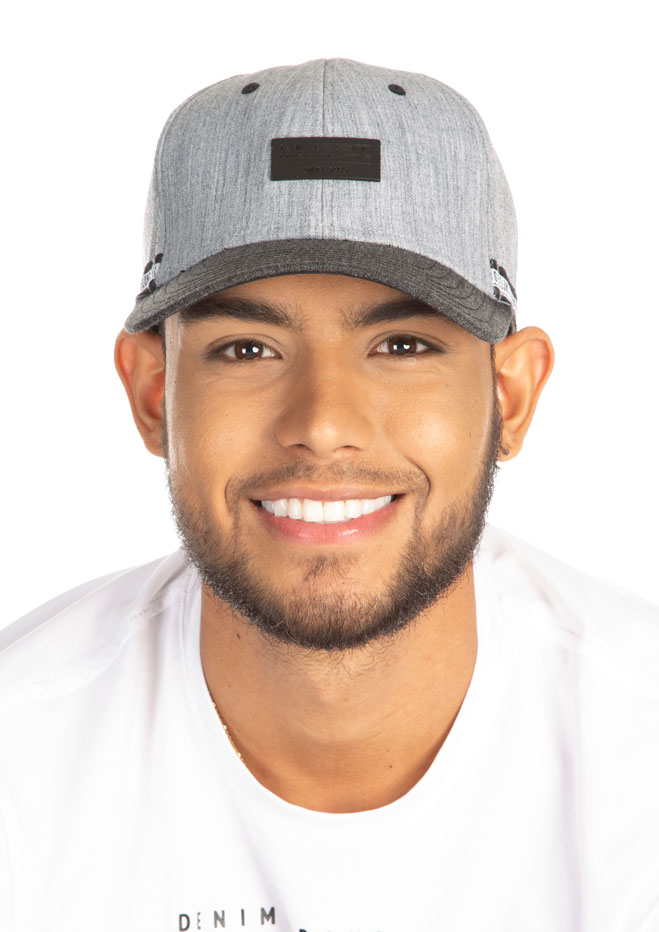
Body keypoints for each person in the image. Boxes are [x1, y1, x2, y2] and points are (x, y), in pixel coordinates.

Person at [1, 58, 657, 932]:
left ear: (511, 394)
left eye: (402, 346)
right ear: (153, 393)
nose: (322, 423)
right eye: (247, 350)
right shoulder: (21, 760)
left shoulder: (638, 755)